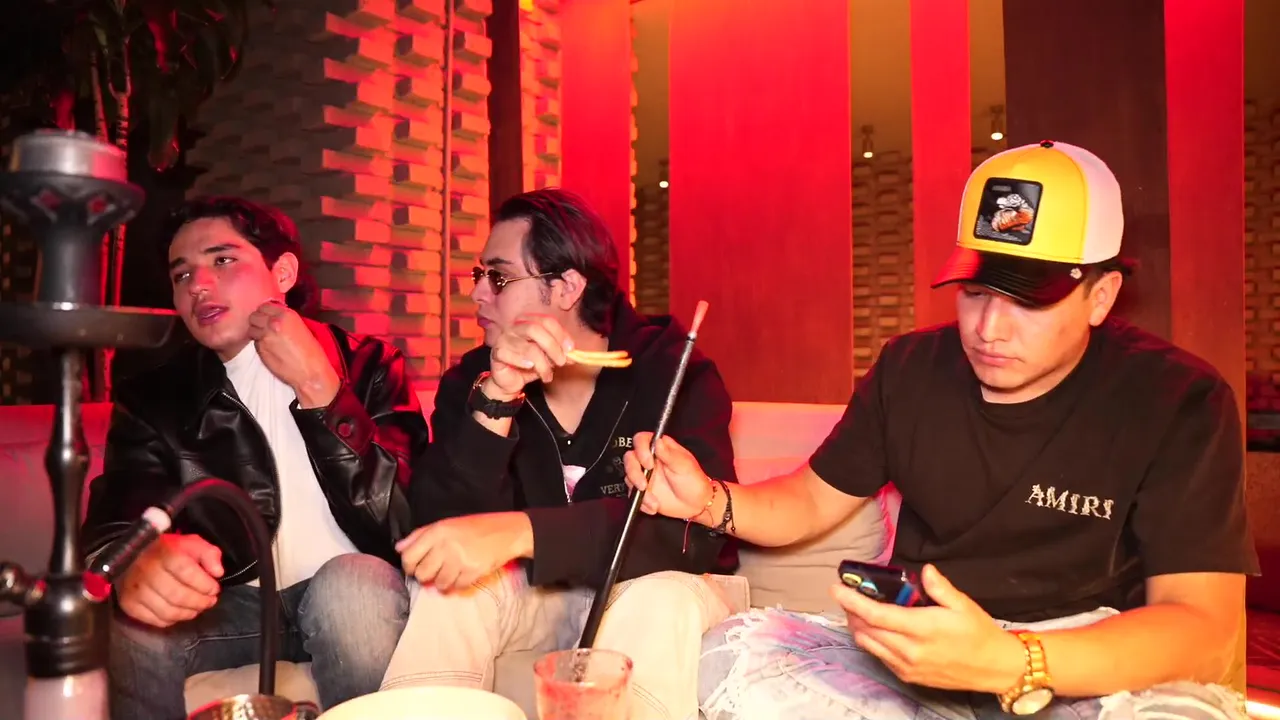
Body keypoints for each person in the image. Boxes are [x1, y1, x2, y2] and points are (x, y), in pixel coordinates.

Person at [624, 141, 1258, 720]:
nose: (989, 329)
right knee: (719, 662)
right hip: (918, 654)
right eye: (976, 291)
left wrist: (1011, 661)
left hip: (1081, 660)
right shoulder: (911, 367)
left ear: (1101, 295)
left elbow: (1202, 625)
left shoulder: (1179, 400)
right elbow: (811, 500)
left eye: (1028, 300)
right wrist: (707, 500)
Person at [382, 188, 739, 720]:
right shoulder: (475, 380)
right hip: (542, 592)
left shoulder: (670, 370)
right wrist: (497, 400)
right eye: (478, 275)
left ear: (567, 287)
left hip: (667, 584)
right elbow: (444, 532)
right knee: (449, 590)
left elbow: (691, 537)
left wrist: (521, 532)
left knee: (657, 600)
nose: (477, 293)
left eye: (498, 277)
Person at [81, 196, 429, 718]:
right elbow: (115, 521)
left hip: (353, 591)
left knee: (352, 586)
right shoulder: (154, 397)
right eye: (181, 275)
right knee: (137, 620)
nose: (198, 285)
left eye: (222, 260)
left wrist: (321, 388)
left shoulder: (370, 363)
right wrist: (138, 562)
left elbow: (404, 520)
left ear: (282, 272)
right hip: (233, 604)